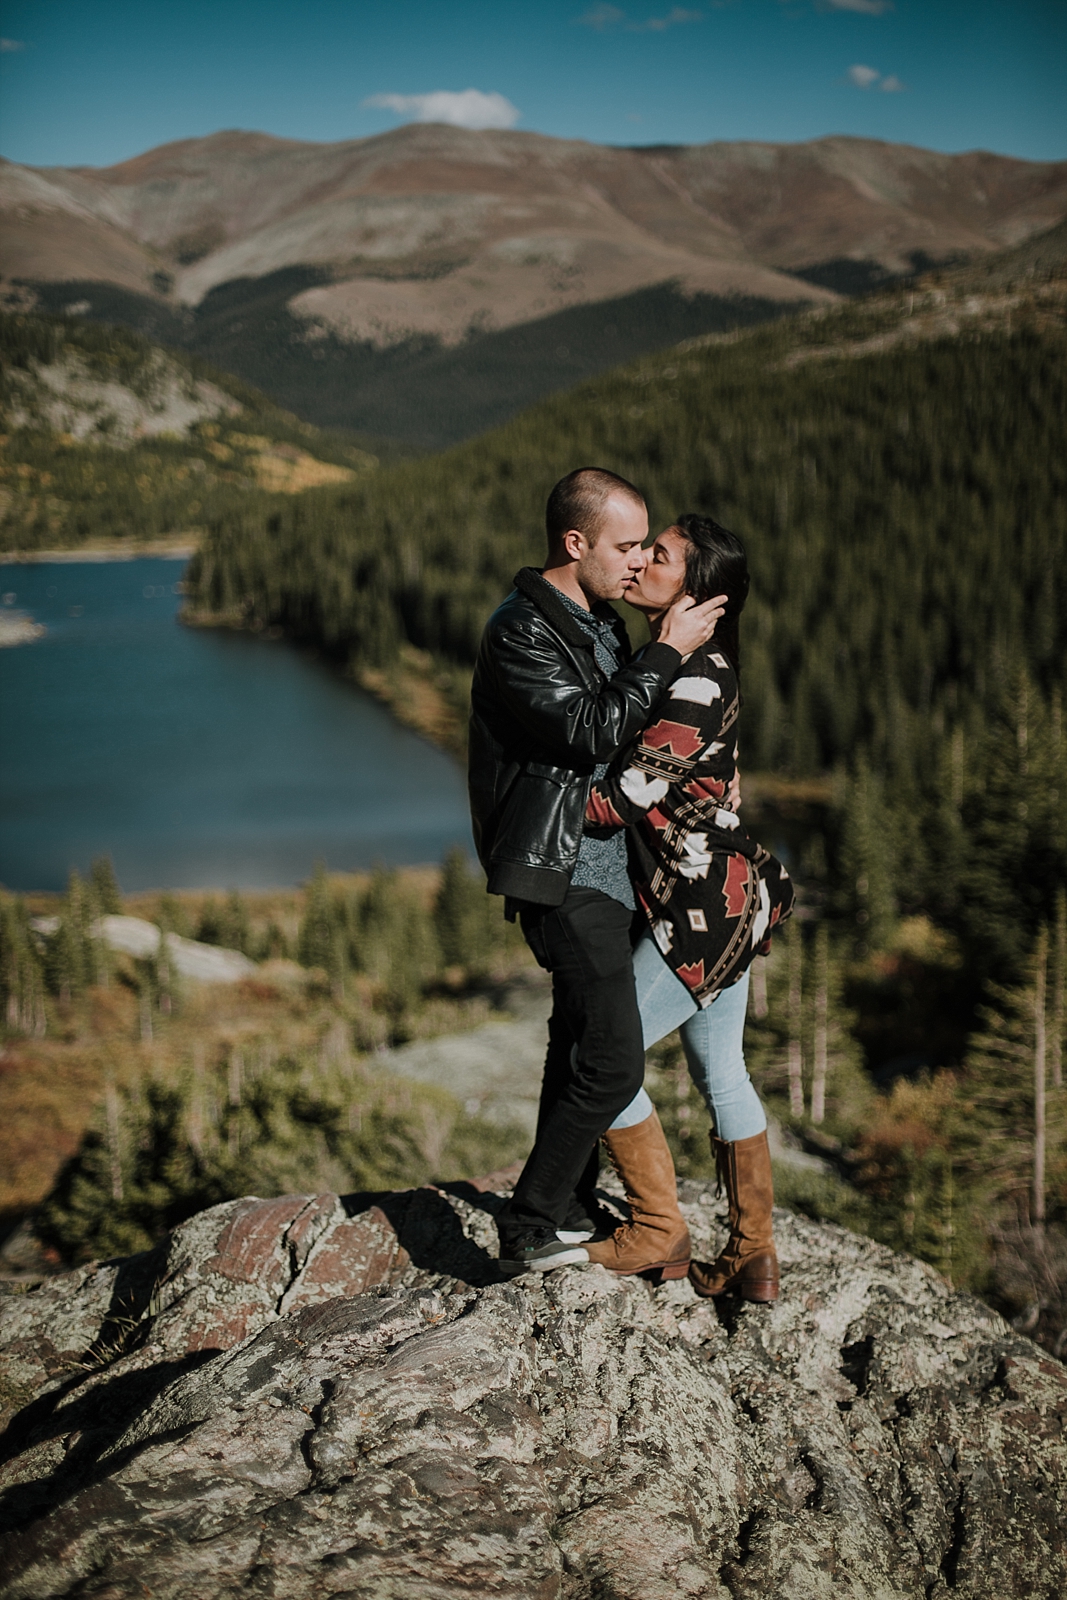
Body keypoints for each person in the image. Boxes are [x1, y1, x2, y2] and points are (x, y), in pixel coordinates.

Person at [468, 469, 726, 1275]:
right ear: (573, 543)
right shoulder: (520, 631)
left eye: (646, 545)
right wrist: (665, 652)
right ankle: (527, 1222)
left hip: (615, 872)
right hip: (561, 868)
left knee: (575, 1042)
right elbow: (589, 731)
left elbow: (636, 738)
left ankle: (569, 1201)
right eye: (623, 546)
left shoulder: (599, 621)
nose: (637, 560)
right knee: (614, 1058)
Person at [580, 513, 795, 1302]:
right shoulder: (681, 663)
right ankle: (751, 1253)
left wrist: (526, 804)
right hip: (725, 901)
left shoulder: (695, 673)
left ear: (698, 592)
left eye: (659, 556)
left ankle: (655, 1228)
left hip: (700, 911)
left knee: (597, 1055)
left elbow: (624, 797)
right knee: (722, 1070)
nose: (638, 562)